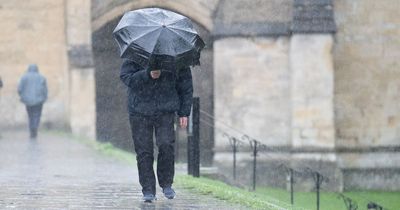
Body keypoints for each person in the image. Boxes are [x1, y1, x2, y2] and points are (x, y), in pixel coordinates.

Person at [120, 60, 193, 202]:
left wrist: (184, 112)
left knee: (166, 145)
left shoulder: (175, 54)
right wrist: (147, 75)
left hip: (165, 109)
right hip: (139, 110)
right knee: (144, 151)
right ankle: (148, 189)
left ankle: (166, 184)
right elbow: (126, 77)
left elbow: (185, 84)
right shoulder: (136, 52)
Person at [18, 64, 48, 139]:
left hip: (28, 101)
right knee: (37, 115)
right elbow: (45, 90)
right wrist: (44, 98)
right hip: (39, 100)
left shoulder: (24, 77)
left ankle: (32, 130)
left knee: (30, 115)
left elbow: (19, 89)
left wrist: (22, 96)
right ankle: (35, 128)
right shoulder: (42, 77)